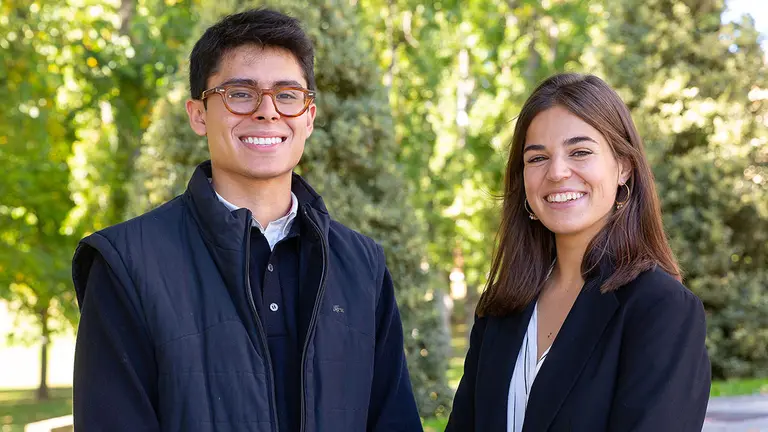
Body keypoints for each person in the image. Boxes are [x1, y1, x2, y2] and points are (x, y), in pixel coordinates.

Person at [71, 8, 422, 432]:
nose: (267, 111)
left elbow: (392, 418)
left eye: (288, 95)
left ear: (309, 118)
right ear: (198, 114)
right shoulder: (126, 264)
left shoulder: (361, 264)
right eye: (240, 93)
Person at [445, 73, 710, 432]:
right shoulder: (500, 309)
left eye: (580, 152)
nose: (557, 172)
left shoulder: (660, 309)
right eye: (537, 158)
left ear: (623, 166)